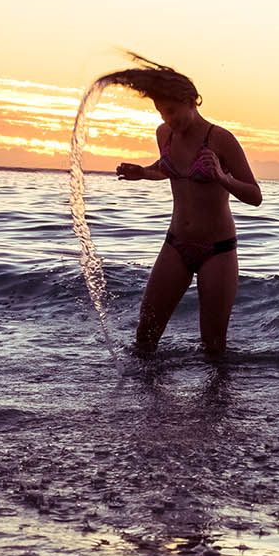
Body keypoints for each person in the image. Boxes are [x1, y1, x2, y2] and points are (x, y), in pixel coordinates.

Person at [109, 54, 262, 357]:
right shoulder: (164, 133)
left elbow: (255, 195)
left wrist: (221, 177)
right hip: (175, 244)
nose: (168, 120)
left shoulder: (221, 139)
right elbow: (169, 168)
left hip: (217, 251)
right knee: (145, 336)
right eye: (162, 113)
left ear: (192, 100)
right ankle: (144, 402)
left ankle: (217, 405)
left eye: (173, 112)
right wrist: (144, 173)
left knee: (213, 347)